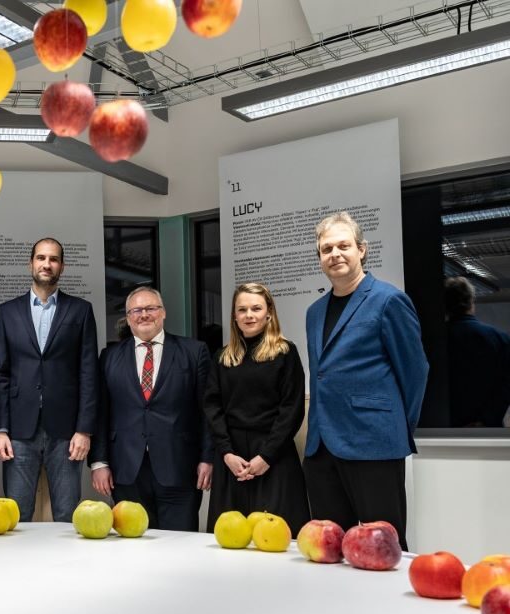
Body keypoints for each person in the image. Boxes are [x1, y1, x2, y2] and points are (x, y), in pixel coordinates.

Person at [304, 211, 429, 550]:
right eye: (326, 249)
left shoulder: (389, 301)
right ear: (319, 257)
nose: (335, 254)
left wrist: (399, 426)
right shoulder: (314, 311)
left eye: (343, 245)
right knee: (329, 549)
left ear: (362, 250)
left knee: (383, 547)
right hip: (322, 449)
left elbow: (415, 371)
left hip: (374, 442)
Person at [0, 238, 98, 522]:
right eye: (41, 258)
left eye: (53, 259)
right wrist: (0, 429)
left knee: (66, 514)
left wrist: (84, 430)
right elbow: (1, 375)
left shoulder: (81, 311)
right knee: (15, 514)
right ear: (31, 263)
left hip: (66, 431)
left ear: (61, 266)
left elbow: (88, 373)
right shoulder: (7, 312)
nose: (46, 264)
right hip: (19, 429)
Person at [90, 287, 212, 531]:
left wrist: (207, 458)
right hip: (126, 470)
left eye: (151, 308)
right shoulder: (109, 356)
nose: (144, 314)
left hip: (179, 467)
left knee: (179, 545)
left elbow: (207, 411)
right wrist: (99, 462)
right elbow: (100, 412)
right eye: (136, 310)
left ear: (163, 313)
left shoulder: (194, 352)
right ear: (128, 317)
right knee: (134, 547)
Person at [203, 283, 308, 536]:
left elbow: (291, 409)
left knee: (277, 539)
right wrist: (227, 453)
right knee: (230, 542)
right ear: (234, 316)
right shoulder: (222, 357)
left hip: (274, 456)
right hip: (232, 459)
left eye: (256, 308)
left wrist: (266, 456)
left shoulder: (285, 352)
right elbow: (212, 407)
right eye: (242, 310)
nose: (249, 315)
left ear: (269, 313)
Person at [443, 276, 510, 427]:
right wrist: (485, 420)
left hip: (445, 428)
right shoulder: (500, 339)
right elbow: (506, 387)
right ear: (471, 302)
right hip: (488, 430)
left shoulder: (433, 342)